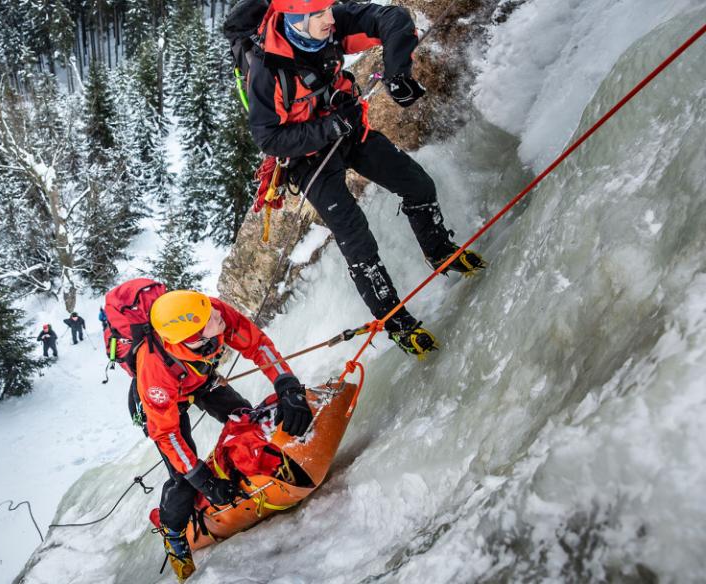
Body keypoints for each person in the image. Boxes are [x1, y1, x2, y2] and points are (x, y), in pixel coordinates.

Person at [247, 0, 485, 357]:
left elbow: (391, 19)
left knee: (418, 185)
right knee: (356, 237)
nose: (331, 18)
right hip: (308, 159)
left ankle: (438, 252)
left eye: (329, 9)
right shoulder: (268, 69)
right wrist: (329, 126)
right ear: (296, 21)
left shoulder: (330, 27)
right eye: (320, 14)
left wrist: (397, 72)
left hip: (348, 131)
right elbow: (269, 138)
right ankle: (395, 321)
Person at [134, 289, 312, 581]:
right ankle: (173, 533)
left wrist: (287, 386)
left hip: (200, 379)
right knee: (184, 481)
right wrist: (203, 481)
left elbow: (258, 345)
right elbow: (167, 435)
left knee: (245, 417)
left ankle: (251, 471)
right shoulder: (154, 371)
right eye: (210, 319)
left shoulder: (207, 310)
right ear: (192, 337)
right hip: (165, 403)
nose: (218, 314)